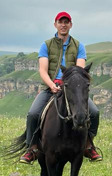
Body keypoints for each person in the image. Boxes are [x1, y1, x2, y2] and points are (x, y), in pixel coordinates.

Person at [20, 11, 103, 164]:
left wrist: (69, 85)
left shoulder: (79, 46)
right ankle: (31, 149)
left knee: (94, 112)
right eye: (60, 22)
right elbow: (43, 70)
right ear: (55, 24)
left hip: (71, 88)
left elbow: (79, 70)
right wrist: (52, 85)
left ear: (70, 25)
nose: (63, 25)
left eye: (66, 22)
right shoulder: (46, 45)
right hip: (50, 87)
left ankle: (88, 144)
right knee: (33, 114)